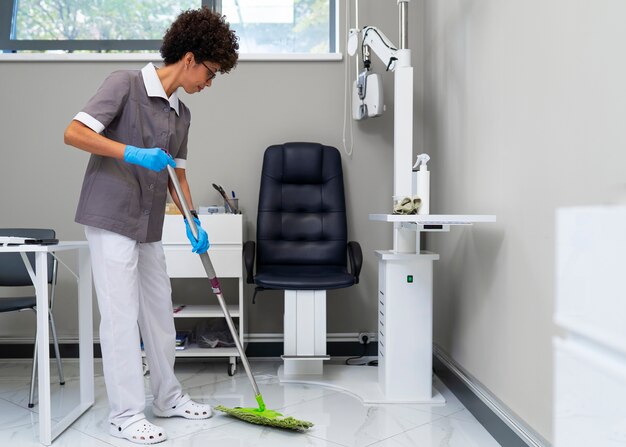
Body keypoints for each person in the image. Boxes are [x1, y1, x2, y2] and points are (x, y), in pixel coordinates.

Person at [63, 7, 238, 445]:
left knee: (160, 315)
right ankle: (124, 414)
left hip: (149, 223)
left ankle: (167, 398)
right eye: (211, 73)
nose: (210, 83)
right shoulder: (125, 83)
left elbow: (178, 175)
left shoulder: (182, 114)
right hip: (110, 216)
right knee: (121, 317)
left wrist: (194, 222)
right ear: (190, 58)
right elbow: (73, 133)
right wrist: (131, 153)